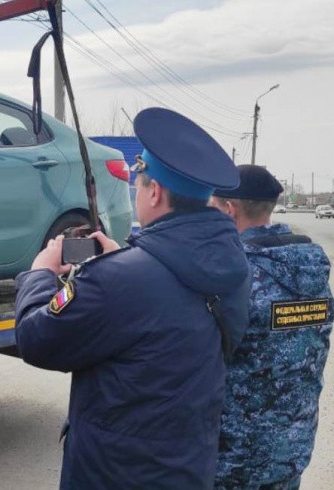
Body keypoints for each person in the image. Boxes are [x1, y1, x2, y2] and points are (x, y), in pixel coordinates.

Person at [14, 107, 252, 489]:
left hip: (115, 475)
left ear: (154, 191)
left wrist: (40, 273)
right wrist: (120, 264)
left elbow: (36, 339)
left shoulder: (120, 279)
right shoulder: (235, 266)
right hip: (189, 468)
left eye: (138, 182)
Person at [210, 166, 334, 490]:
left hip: (233, 460)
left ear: (229, 209)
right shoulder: (314, 276)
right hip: (291, 450)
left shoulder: (234, 280)